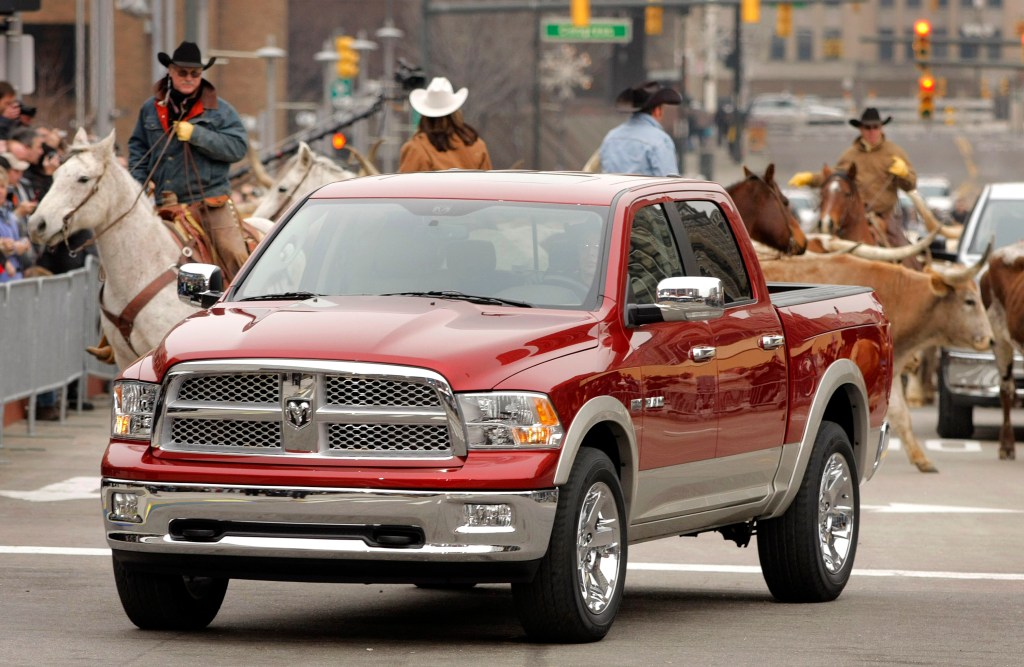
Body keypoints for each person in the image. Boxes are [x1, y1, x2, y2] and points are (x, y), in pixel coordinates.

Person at [128, 41, 249, 280]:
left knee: (233, 252)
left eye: (195, 73)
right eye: (182, 72)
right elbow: (138, 150)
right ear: (170, 72)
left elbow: (237, 148)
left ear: (201, 75)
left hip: (210, 203)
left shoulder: (221, 111)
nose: (189, 77)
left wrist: (197, 135)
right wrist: (138, 189)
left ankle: (242, 302)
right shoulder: (149, 110)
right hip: (163, 203)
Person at [788, 107, 917, 244]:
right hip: (852, 217)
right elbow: (834, 178)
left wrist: (904, 174)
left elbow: (911, 184)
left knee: (904, 253)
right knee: (817, 241)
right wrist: (810, 178)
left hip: (885, 218)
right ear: (861, 129)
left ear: (881, 128)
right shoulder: (850, 155)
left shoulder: (895, 152)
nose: (872, 131)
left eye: (875, 127)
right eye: (867, 127)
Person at [398, 77, 492, 172]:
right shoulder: (477, 145)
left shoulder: (416, 149)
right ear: (455, 112)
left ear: (424, 115)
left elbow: (404, 185)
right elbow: (489, 184)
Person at [598, 80, 682, 177]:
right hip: (645, 192)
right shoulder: (660, 140)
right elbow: (669, 185)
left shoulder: (611, 137)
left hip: (612, 192)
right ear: (657, 111)